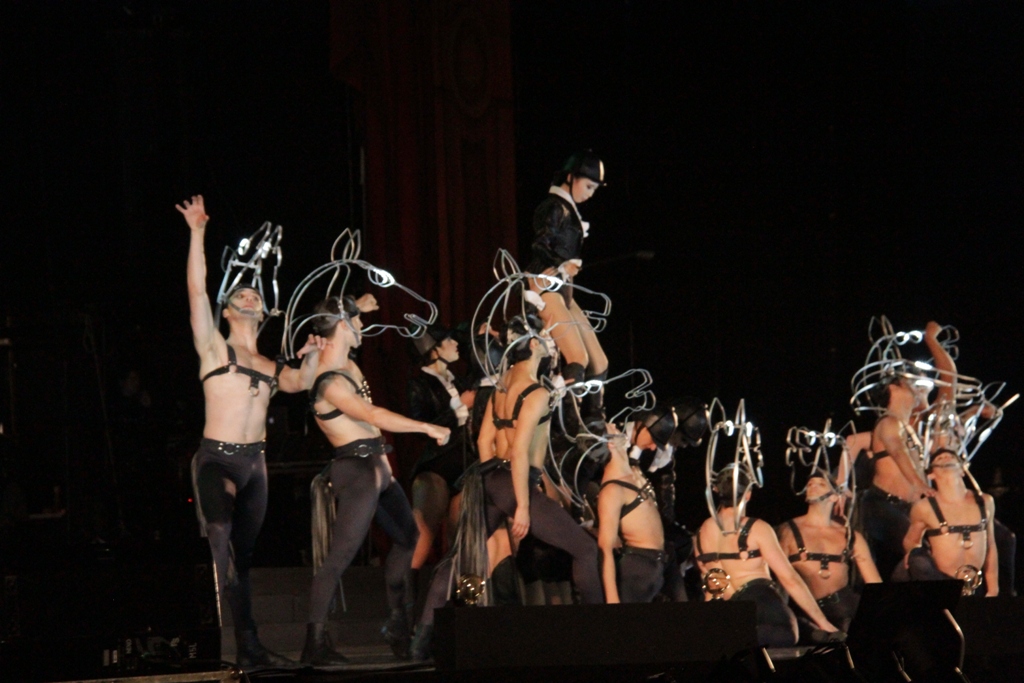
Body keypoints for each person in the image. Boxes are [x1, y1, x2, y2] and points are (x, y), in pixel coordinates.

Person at [178, 195, 324, 667]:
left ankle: (247, 646)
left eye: (255, 296)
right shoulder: (213, 349)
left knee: (243, 557)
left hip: (255, 465)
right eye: (240, 295)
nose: (249, 297)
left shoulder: (268, 364)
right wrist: (198, 232)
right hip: (217, 459)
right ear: (226, 311)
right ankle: (217, 640)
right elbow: (197, 291)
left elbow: (301, 382)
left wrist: (313, 356)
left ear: (264, 313)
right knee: (220, 539)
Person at [300, 296, 450, 664]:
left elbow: (337, 312)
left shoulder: (347, 363)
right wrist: (427, 427)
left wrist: (358, 306)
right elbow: (372, 414)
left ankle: (398, 623)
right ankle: (314, 644)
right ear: (341, 326)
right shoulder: (328, 381)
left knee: (408, 538)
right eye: (356, 322)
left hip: (378, 468)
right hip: (357, 470)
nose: (362, 328)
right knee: (340, 556)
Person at [695, 466, 839, 647]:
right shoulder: (757, 528)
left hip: (728, 609)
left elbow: (711, 585)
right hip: (760, 603)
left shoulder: (702, 532)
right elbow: (790, 579)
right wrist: (824, 622)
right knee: (788, 634)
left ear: (717, 491)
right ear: (748, 495)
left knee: (801, 627)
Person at [527, 151, 608, 425]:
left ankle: (594, 422)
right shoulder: (554, 206)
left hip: (564, 289)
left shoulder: (569, 210)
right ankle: (571, 426)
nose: (590, 194)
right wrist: (562, 264)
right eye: (588, 186)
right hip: (544, 285)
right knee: (578, 358)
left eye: (594, 189)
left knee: (600, 362)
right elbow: (540, 245)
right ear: (571, 177)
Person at [777, 471, 881, 636]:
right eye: (810, 484)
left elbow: (874, 582)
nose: (813, 487)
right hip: (807, 611)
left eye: (821, 484)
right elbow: (782, 579)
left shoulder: (849, 535)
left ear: (834, 496)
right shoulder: (788, 531)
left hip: (844, 606)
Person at [407, 325, 475, 573]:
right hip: (438, 464)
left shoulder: (458, 380)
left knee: (462, 534)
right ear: (434, 350)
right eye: (448, 341)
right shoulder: (419, 384)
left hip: (466, 463)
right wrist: (458, 407)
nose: (455, 344)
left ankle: (455, 586)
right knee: (424, 532)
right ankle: (403, 589)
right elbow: (421, 427)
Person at [860, 370, 934, 580]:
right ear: (893, 388)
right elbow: (897, 451)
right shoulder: (888, 422)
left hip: (907, 509)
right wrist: (918, 483)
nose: (915, 388)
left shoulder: (907, 427)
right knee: (919, 557)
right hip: (885, 507)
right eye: (908, 384)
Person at [895, 450, 998, 595]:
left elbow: (991, 545)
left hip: (973, 584)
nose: (946, 458)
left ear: (962, 470)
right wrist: (913, 554)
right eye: (940, 459)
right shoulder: (924, 507)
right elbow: (911, 540)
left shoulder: (984, 501)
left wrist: (993, 589)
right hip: (940, 584)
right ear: (931, 474)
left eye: (951, 457)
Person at [598, 427, 666, 603]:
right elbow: (605, 548)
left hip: (655, 566)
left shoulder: (633, 473)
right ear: (610, 443)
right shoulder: (612, 489)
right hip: (636, 567)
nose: (618, 428)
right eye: (613, 429)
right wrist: (612, 598)